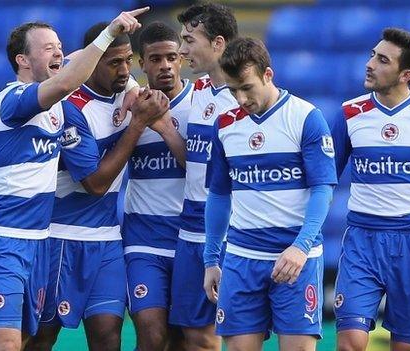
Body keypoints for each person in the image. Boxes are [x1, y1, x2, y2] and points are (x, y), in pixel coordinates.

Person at [0, 8, 149, 351]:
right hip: (3, 239)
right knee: (5, 344)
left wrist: (132, 89)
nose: (58, 53)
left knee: (26, 341)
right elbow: (68, 78)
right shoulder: (12, 100)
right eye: (47, 48)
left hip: (38, 242)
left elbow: (85, 62)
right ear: (22, 60)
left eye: (60, 46)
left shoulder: (58, 106)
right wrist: (110, 30)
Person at [25, 22, 170, 351]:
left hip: (107, 239)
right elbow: (95, 183)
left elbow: (121, 71)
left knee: (107, 337)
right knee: (43, 336)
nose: (124, 71)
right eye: (113, 63)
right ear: (93, 62)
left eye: (128, 61)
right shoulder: (70, 107)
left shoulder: (124, 83)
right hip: (62, 236)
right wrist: (137, 124)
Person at [330, 28, 410, 351]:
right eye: (372, 55)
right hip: (363, 240)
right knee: (350, 342)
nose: (370, 64)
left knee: (405, 347)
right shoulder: (350, 114)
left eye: (382, 60)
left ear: (406, 74)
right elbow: (324, 180)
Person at [203, 37, 337, 351]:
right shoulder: (224, 125)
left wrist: (301, 246)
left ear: (268, 75)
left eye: (246, 87)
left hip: (294, 258)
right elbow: (220, 195)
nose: (240, 98)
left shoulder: (305, 117)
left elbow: (323, 189)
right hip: (241, 257)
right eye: (233, 90)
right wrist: (212, 259)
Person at [169, 3, 238, 350]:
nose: (182, 50)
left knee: (228, 336)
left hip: (231, 229)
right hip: (190, 226)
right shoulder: (198, 92)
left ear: (218, 43)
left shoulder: (247, 99)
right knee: (194, 336)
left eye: (189, 40)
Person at [122, 21, 193, 351]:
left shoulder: (202, 104)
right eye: (155, 59)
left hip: (189, 238)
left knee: (183, 338)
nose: (164, 65)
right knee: (151, 335)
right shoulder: (128, 104)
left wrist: (164, 128)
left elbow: (200, 174)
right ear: (141, 62)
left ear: (181, 58)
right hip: (143, 238)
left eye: (171, 57)